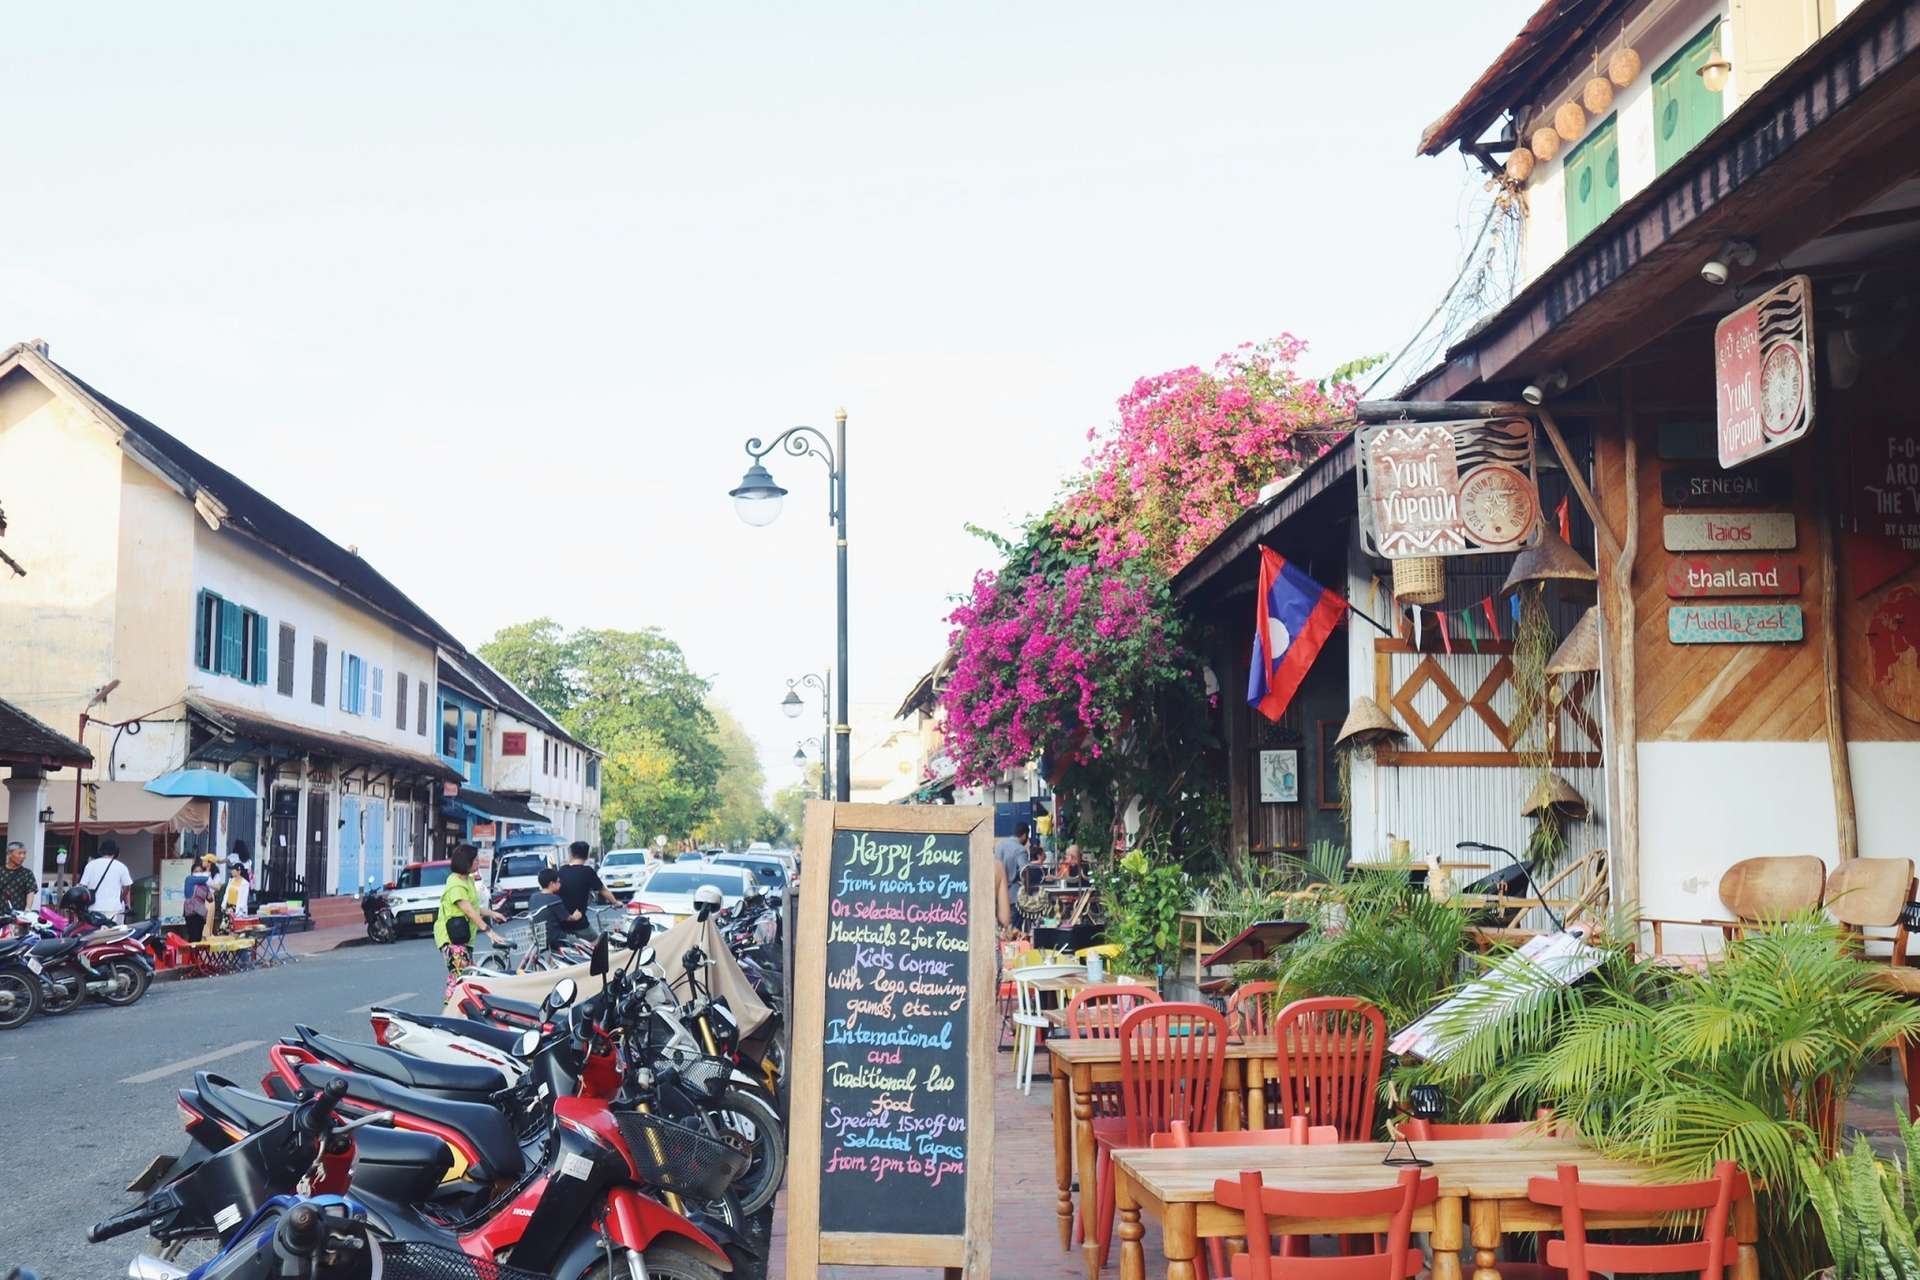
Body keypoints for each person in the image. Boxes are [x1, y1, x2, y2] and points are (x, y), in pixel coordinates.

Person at [434, 844, 505, 999]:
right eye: (475, 860)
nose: (478, 863)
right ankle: (452, 1015)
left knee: (461, 979)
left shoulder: (469, 881)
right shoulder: (455, 884)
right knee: (462, 981)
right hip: (451, 939)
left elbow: (475, 908)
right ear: (466, 862)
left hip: (464, 937)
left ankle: (455, 1016)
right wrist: (489, 931)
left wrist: (493, 913)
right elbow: (468, 910)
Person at [555, 841, 616, 934]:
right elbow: (602, 890)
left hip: (561, 922)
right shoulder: (588, 872)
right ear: (587, 856)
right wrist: (615, 902)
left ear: (571, 855)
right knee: (597, 944)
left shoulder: (562, 870)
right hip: (579, 923)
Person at [79, 838, 134, 925]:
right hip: (113, 908)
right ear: (116, 852)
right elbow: (127, 886)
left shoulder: (90, 865)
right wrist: (122, 899)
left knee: (94, 934)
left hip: (93, 907)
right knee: (112, 934)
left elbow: (82, 886)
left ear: (101, 851)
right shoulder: (121, 866)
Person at [525, 866, 576, 952]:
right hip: (555, 937)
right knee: (580, 944)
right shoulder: (554, 899)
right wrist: (575, 916)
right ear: (552, 883)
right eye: (558, 882)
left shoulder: (533, 897)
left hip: (539, 936)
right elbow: (567, 918)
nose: (560, 884)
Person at [0, 842, 38, 915]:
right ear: (9, 854)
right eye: (19, 853)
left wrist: (28, 909)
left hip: (18, 915)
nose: (23, 856)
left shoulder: (27, 873)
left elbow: (30, 892)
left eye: (24, 853)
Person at [995, 822, 1030, 896]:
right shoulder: (1020, 850)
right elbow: (1025, 871)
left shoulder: (999, 845)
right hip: (1013, 894)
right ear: (1024, 835)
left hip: (998, 892)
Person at [181, 862, 212, 943]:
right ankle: (190, 955)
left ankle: (194, 955)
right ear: (192, 872)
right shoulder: (189, 879)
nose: (198, 873)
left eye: (200, 871)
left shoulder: (204, 885)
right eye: (196, 871)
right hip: (191, 913)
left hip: (201, 914)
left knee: (198, 938)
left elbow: (210, 898)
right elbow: (206, 877)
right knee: (193, 937)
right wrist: (208, 869)